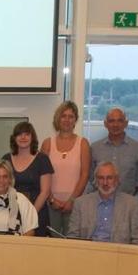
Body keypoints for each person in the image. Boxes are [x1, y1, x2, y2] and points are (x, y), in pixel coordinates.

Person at [41, 101, 91, 235]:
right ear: (58, 118)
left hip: (76, 204)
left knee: (73, 243)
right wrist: (51, 200)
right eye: (64, 116)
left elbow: (85, 174)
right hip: (51, 203)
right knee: (53, 244)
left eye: (71, 116)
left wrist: (72, 200)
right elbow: (42, 176)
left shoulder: (83, 143)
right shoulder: (47, 144)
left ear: (76, 120)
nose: (67, 120)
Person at [67, 162, 138, 244]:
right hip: (89, 252)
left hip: (118, 253)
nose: (105, 183)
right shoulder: (81, 203)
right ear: (96, 180)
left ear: (117, 180)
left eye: (109, 178)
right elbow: (72, 237)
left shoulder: (132, 204)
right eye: (101, 178)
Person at [2, 121, 53, 236]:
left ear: (32, 137)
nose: (23, 137)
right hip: (11, 214)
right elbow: (1, 187)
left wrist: (30, 214)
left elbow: (45, 192)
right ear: (14, 138)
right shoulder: (6, 159)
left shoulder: (42, 159)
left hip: (37, 213)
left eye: (27, 134)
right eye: (19, 134)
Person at [89, 107, 138, 195]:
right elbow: (92, 177)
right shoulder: (95, 148)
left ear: (126, 123)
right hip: (100, 201)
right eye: (111, 121)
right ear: (105, 124)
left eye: (120, 121)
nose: (115, 125)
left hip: (127, 202)